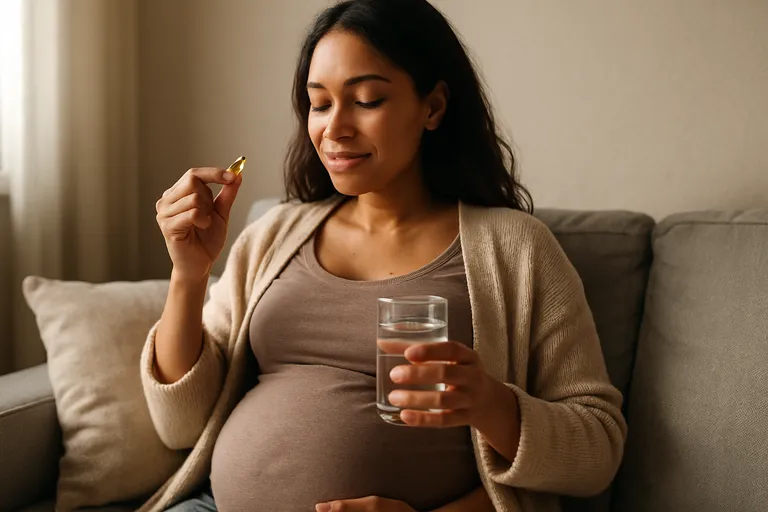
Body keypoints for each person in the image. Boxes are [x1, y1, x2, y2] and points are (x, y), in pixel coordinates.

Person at [143, 0, 627, 511]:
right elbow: (180, 427)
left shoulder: (516, 247)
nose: (335, 128)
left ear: (433, 107)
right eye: (320, 103)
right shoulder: (273, 234)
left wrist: (489, 402)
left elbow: (597, 450)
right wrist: (189, 275)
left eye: (368, 100)